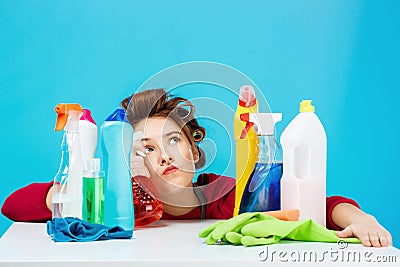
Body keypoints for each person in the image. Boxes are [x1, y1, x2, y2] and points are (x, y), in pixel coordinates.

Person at [1, 89, 392, 247]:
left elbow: (319, 205)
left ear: (193, 147)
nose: (166, 156)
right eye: (147, 148)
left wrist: (360, 218)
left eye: (174, 141)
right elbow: (13, 205)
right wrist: (70, 191)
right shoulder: (121, 206)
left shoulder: (226, 196)